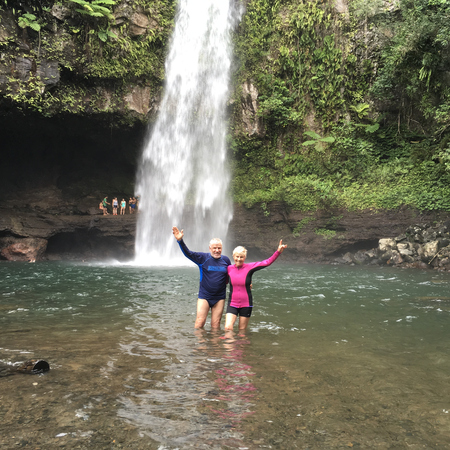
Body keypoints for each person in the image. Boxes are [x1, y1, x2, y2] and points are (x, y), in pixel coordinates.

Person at [172, 226, 231, 329]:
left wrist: (246, 282)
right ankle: (200, 345)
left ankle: (215, 345)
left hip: (219, 297)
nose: (217, 250)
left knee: (216, 324)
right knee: (200, 322)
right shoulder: (203, 258)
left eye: (219, 248)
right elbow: (188, 253)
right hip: (205, 296)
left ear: (222, 248)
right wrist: (180, 241)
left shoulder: (226, 260)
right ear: (210, 248)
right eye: (214, 248)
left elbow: (232, 275)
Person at [224, 240, 287, 333]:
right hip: (232, 303)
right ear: (233, 256)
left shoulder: (250, 267)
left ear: (245, 257)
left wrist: (278, 252)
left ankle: (240, 347)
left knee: (242, 331)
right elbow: (222, 281)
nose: (239, 259)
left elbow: (266, 262)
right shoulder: (229, 269)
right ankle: (230, 347)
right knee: (228, 328)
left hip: (246, 304)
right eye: (237, 256)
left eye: (241, 257)